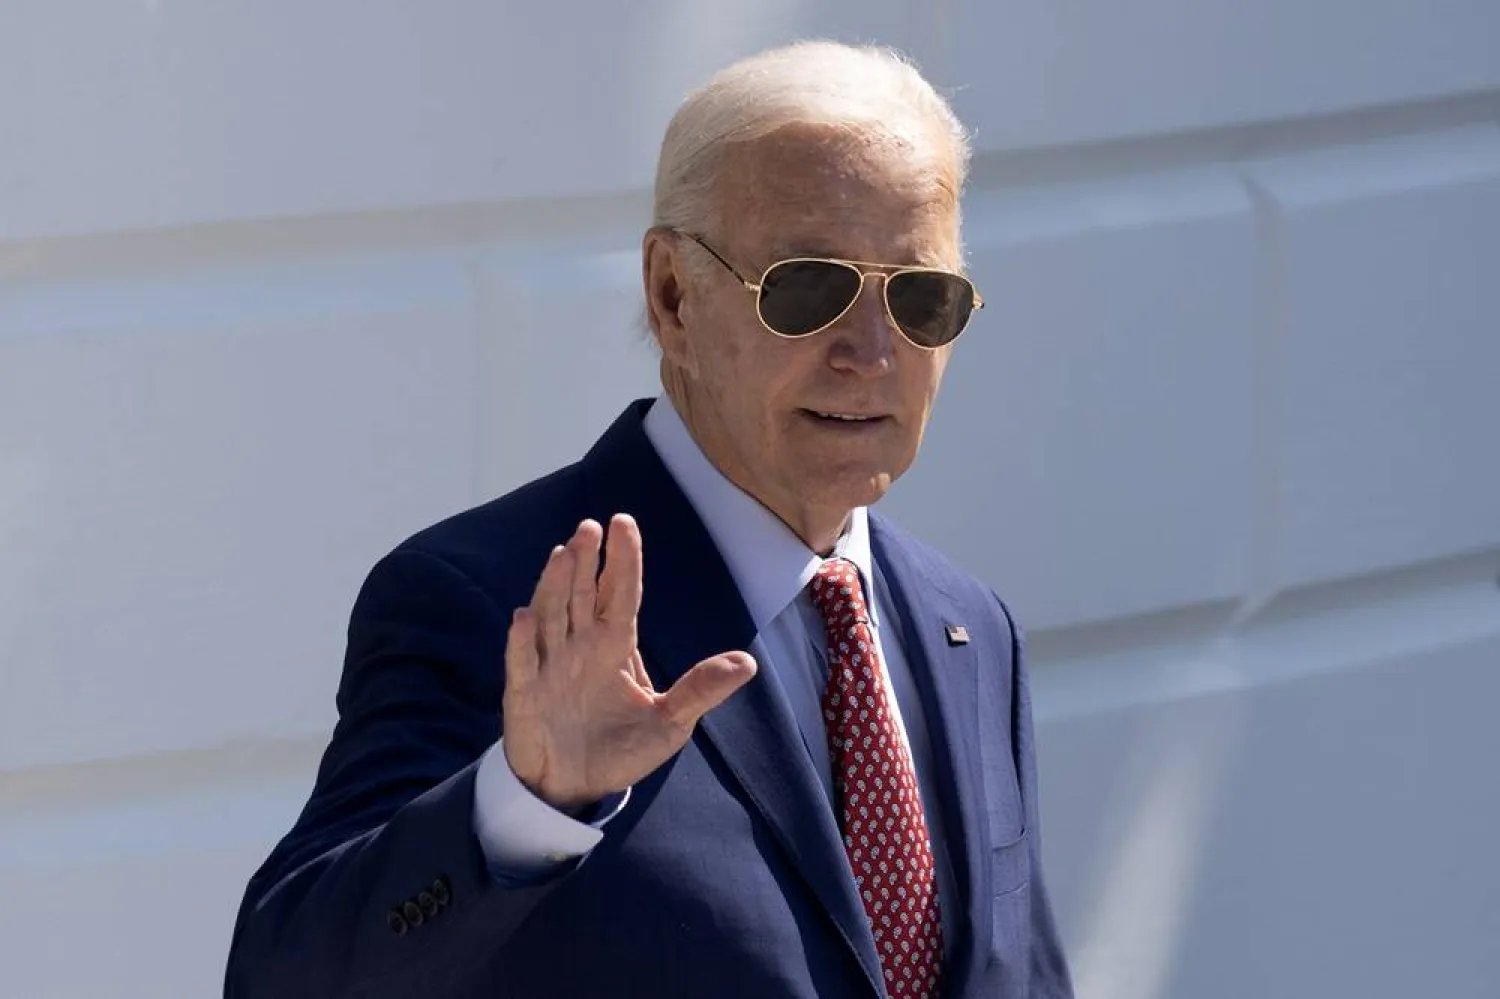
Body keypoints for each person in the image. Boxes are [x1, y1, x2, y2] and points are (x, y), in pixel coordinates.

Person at [224, 39, 1072, 999]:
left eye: (922, 297)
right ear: (673, 295)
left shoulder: (968, 626)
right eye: (810, 287)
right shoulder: (497, 600)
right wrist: (527, 805)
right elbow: (286, 979)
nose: (871, 350)